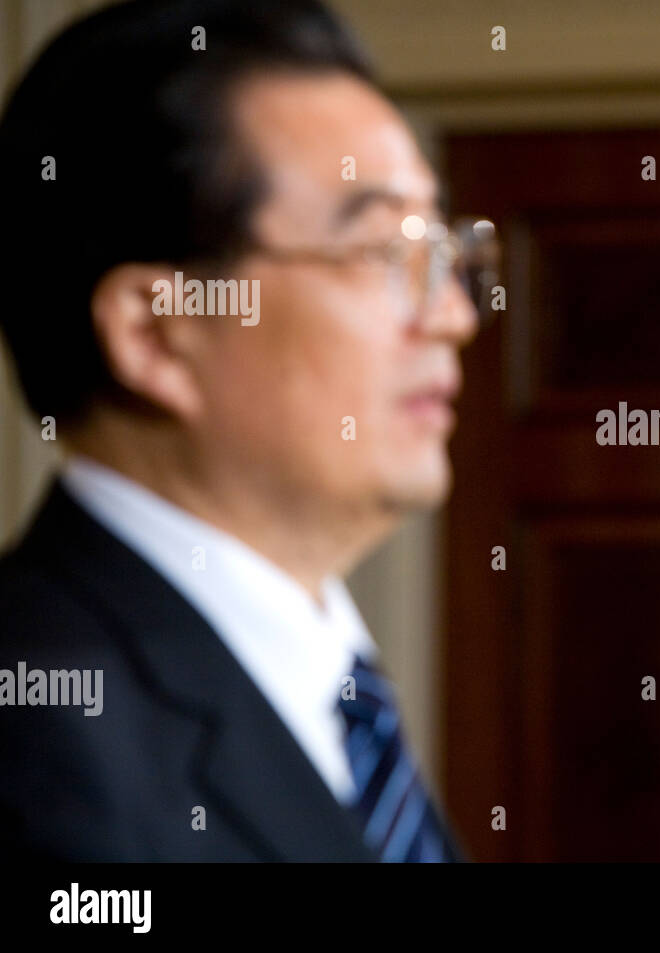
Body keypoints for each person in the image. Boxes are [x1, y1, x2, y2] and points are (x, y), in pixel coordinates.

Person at [0, 0, 485, 861]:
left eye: (444, 251)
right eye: (382, 252)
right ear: (158, 334)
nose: (452, 315)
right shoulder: (41, 744)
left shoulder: (337, 697)